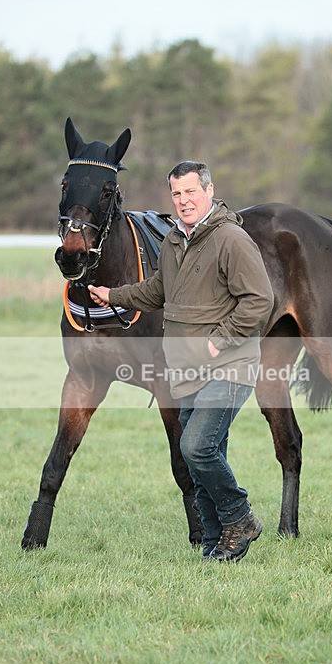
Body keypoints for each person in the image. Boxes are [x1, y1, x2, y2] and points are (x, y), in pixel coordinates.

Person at [89, 161, 274, 562]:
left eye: (190, 191)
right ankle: (215, 544)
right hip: (187, 369)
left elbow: (260, 300)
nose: (183, 200)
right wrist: (113, 295)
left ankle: (240, 517)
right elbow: (157, 290)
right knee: (201, 459)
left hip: (230, 366)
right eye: (176, 193)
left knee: (196, 447)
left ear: (208, 190)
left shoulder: (231, 239)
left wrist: (219, 342)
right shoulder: (175, 240)